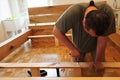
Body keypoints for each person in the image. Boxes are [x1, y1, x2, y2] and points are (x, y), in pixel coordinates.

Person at [53, 0, 116, 76]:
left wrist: (98, 61)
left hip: (96, 47)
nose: (92, 37)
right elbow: (56, 31)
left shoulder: (107, 13)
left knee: (99, 70)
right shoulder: (73, 12)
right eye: (91, 34)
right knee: (76, 71)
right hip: (79, 45)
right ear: (83, 21)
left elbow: (102, 40)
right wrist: (72, 49)